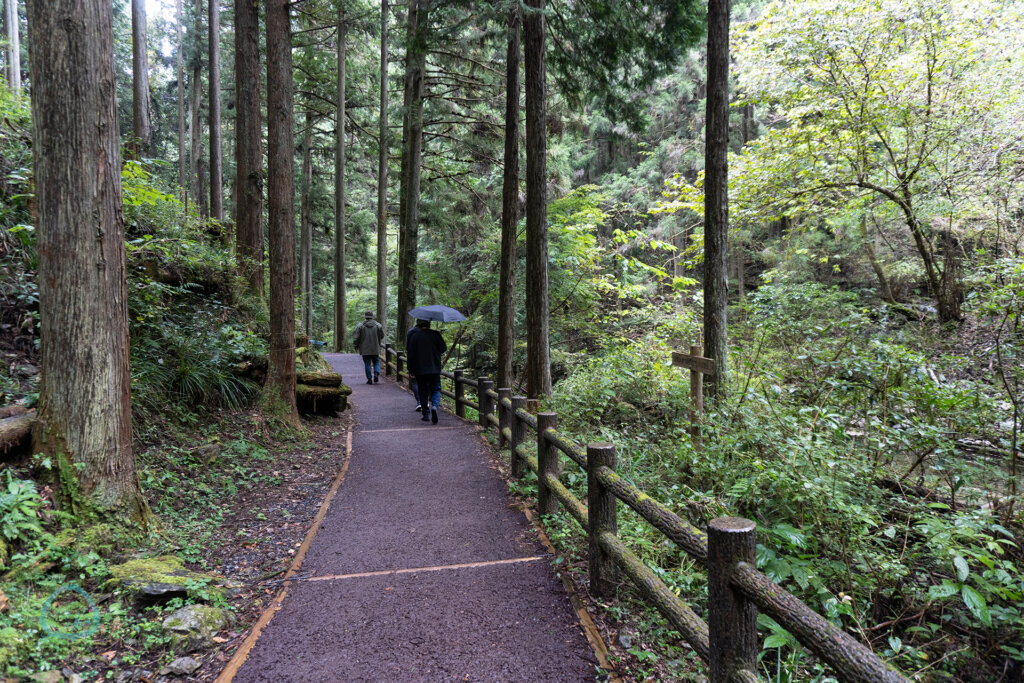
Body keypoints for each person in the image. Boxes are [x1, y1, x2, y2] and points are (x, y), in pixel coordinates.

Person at [405, 318, 446, 423]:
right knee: (436, 389)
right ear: (429, 323)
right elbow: (443, 348)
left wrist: (411, 369)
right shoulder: (435, 334)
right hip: (434, 368)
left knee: (422, 390)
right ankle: (435, 406)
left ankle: (426, 414)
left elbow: (411, 355)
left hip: (420, 369)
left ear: (418, 325)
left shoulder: (415, 336)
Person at [351, 311, 385, 384]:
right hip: (375, 347)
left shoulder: (360, 326)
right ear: (372, 316)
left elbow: (356, 338)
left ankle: (369, 379)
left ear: (365, 317)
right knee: (376, 361)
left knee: (367, 363)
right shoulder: (378, 325)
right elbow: (382, 335)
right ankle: (376, 374)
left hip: (364, 348)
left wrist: (356, 345)